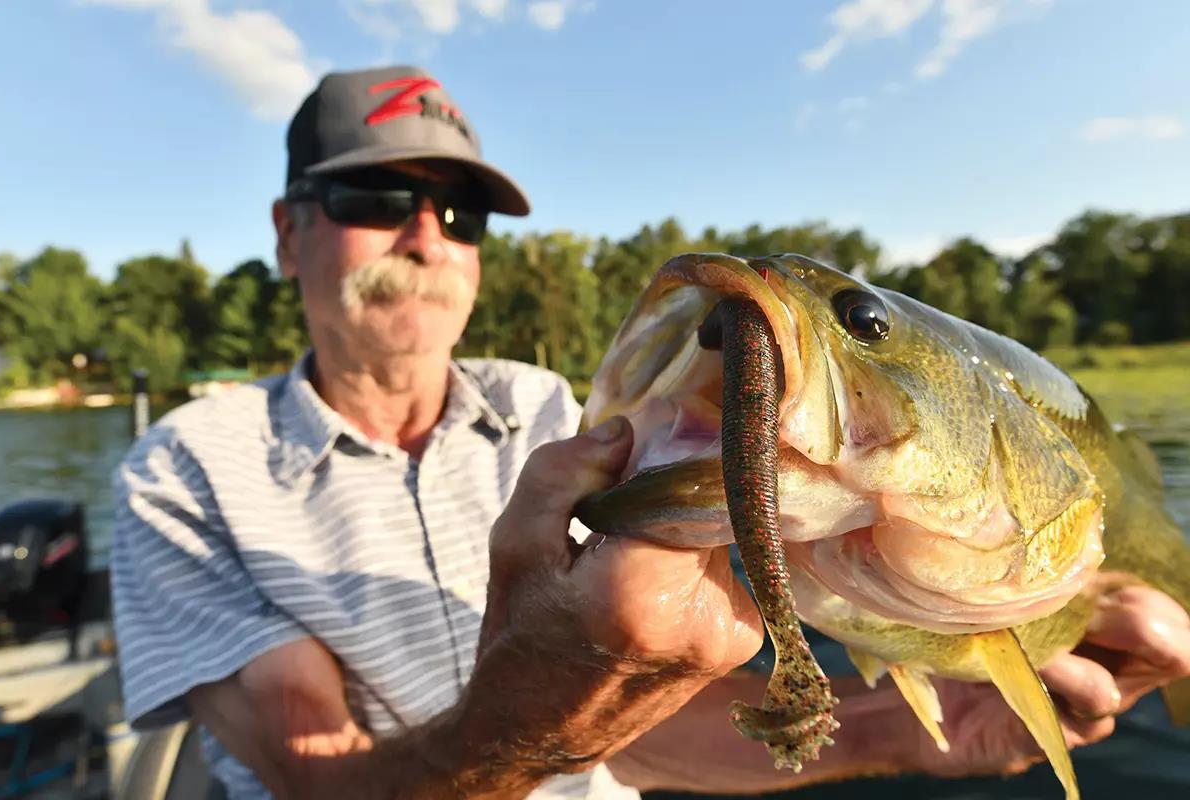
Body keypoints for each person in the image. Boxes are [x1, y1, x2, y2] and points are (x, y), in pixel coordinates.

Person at [110, 65, 1190, 800]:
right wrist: (529, 711)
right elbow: (316, 779)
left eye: (463, 213)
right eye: (377, 196)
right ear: (288, 234)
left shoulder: (550, 412)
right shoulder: (187, 469)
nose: (426, 235)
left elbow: (644, 734)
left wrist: (912, 731)